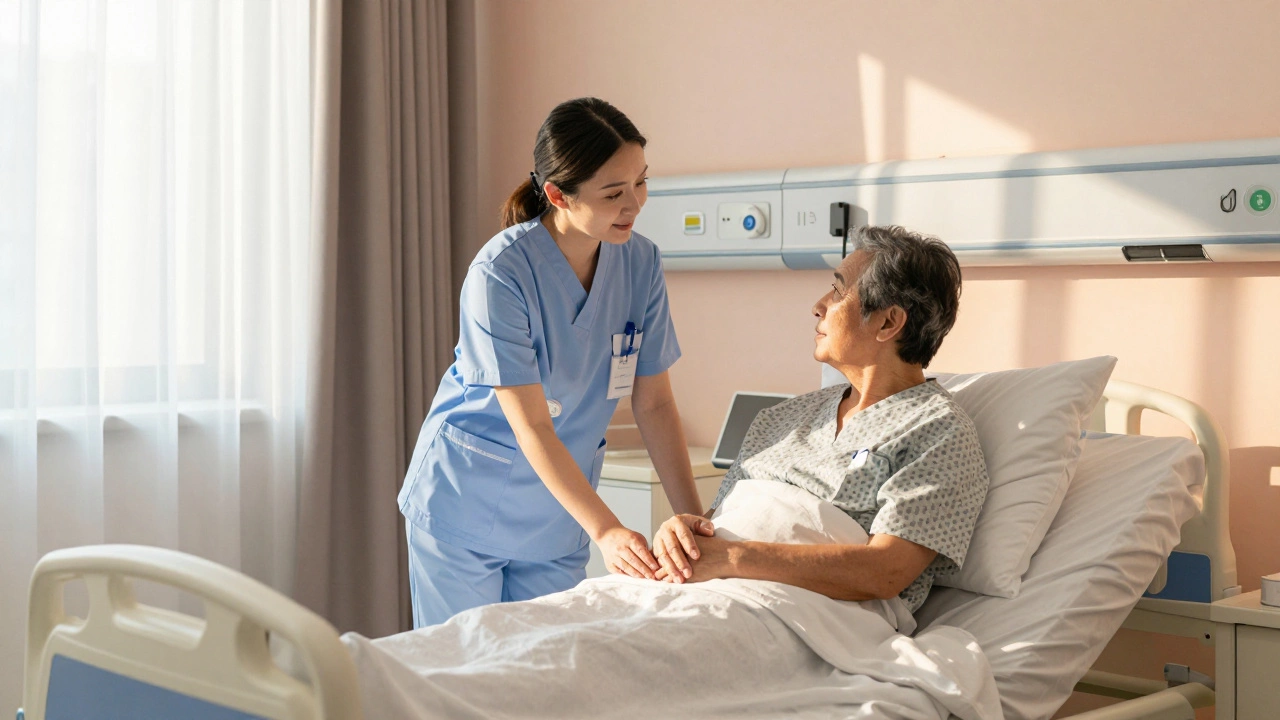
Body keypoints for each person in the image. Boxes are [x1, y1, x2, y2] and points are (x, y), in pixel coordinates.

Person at [399, 98, 703, 627]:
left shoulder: (641, 262)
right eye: (613, 193)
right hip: (466, 504)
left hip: (557, 517)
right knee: (464, 682)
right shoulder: (500, 273)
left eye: (641, 183)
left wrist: (691, 514)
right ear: (559, 194)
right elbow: (533, 424)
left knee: (545, 678)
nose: (634, 205)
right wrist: (607, 529)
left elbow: (653, 401)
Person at [651, 225, 989, 614]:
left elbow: (886, 572)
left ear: (888, 322)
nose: (818, 304)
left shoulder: (938, 433)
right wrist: (678, 532)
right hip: (694, 590)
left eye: (839, 290)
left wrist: (732, 559)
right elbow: (714, 528)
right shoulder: (782, 419)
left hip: (798, 613)